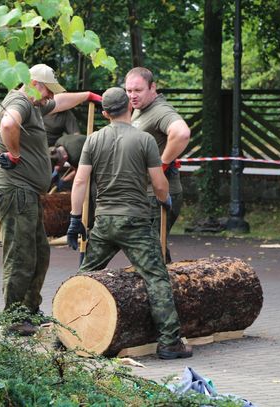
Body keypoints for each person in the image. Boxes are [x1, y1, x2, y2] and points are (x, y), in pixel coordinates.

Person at [66, 87, 192, 360]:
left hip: (103, 221)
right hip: (135, 220)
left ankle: (66, 333)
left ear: (104, 113)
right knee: (157, 277)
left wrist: (75, 219)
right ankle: (170, 343)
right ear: (129, 108)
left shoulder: (93, 139)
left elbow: (79, 181)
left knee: (85, 275)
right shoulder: (145, 140)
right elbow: (159, 183)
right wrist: (165, 199)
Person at [0, 63, 102, 335]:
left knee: (39, 253)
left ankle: (29, 310)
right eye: (48, 91)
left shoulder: (35, 104)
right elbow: (8, 123)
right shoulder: (20, 101)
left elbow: (59, 102)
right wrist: (14, 154)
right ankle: (13, 318)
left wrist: (86, 96)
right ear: (35, 83)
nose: (50, 97)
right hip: (15, 191)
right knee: (21, 255)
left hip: (27, 194)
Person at [125, 67, 190, 263]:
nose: (132, 96)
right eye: (128, 91)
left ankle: (163, 291)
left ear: (152, 88)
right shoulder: (140, 109)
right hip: (145, 194)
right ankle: (170, 289)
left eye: (138, 90)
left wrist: (162, 164)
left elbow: (182, 133)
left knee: (149, 253)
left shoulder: (160, 110)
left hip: (158, 197)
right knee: (153, 251)